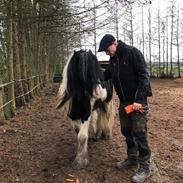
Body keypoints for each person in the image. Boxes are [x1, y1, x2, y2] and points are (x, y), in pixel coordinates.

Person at [98, 34, 152, 183]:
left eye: (107, 49)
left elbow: (144, 76)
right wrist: (94, 75)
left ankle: (145, 167)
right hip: (124, 103)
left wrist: (140, 99)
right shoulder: (113, 60)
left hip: (137, 102)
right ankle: (132, 158)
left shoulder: (132, 53)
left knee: (139, 133)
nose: (107, 53)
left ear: (114, 43)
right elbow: (107, 74)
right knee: (126, 131)